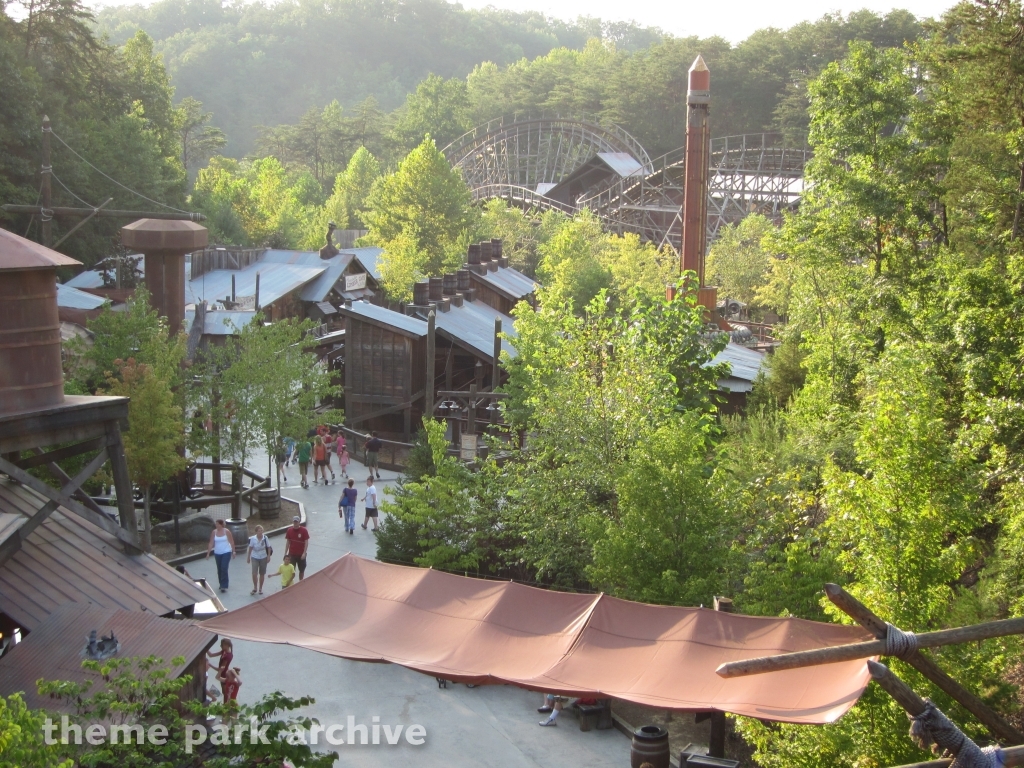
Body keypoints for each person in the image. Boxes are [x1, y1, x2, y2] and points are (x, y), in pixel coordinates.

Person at [205, 519, 234, 592]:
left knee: (224, 567)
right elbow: (211, 543)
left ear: (221, 525)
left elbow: (231, 541)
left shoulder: (226, 531)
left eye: (218, 524)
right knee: (220, 569)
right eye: (216, 524)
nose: (216, 525)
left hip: (226, 551)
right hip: (217, 552)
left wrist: (234, 551)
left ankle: (224, 585)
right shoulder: (214, 532)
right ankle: (221, 583)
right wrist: (208, 553)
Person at [247, 524, 272, 595]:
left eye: (261, 531)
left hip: (263, 556)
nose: (260, 532)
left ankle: (260, 588)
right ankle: (255, 587)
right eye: (259, 531)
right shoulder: (253, 539)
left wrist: (268, 556)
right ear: (256, 532)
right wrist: (248, 557)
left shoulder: (265, 538)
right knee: (254, 573)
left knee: (262, 573)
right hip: (255, 556)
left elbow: (268, 547)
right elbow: (250, 548)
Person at [285, 515, 310, 581]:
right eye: (294, 522)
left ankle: (300, 582)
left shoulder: (304, 530)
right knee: (291, 570)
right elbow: (288, 542)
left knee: (301, 570)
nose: (295, 523)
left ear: (299, 522)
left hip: (301, 554)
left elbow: (306, 542)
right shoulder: (289, 530)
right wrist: (285, 553)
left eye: (297, 522)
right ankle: (290, 583)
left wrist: (304, 553)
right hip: (292, 554)